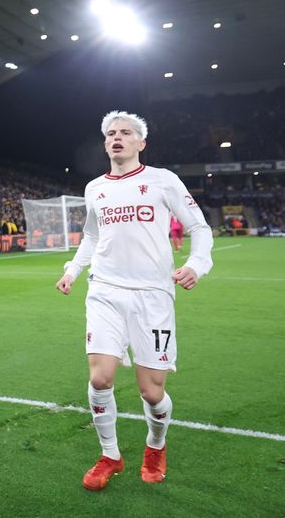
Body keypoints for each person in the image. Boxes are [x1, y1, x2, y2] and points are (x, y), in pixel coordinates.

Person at [55, 110, 213, 491]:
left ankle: (155, 445)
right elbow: (91, 237)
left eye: (125, 132)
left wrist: (196, 264)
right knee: (99, 377)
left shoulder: (163, 180)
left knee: (151, 391)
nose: (117, 137)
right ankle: (110, 455)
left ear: (141, 142)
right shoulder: (94, 188)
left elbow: (199, 227)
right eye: (111, 133)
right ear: (105, 143)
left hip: (153, 295)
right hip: (104, 291)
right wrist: (72, 271)